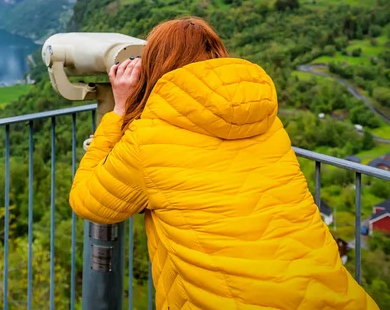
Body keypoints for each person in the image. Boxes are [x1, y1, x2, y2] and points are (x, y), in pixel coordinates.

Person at [69, 17, 378, 310]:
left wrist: (119, 111)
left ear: (155, 66)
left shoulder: (148, 138)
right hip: (332, 294)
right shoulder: (266, 123)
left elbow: (87, 201)